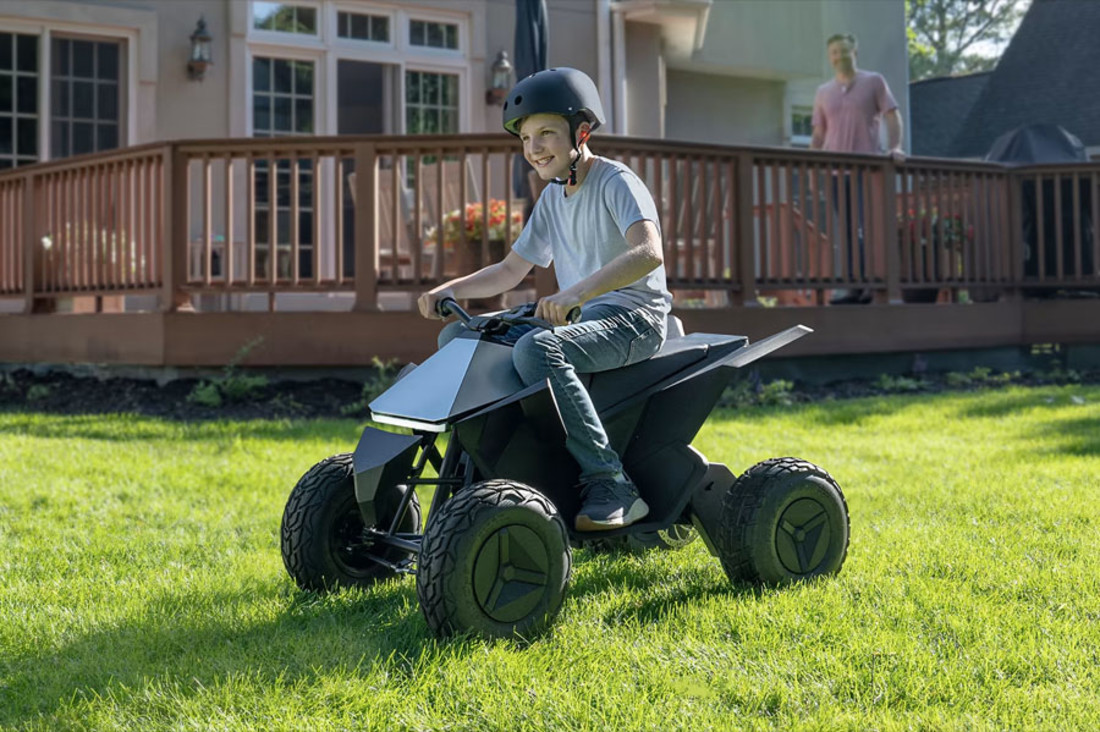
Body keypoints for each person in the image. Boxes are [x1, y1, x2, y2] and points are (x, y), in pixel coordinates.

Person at [417, 68, 671, 532]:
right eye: (526, 138)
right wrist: (452, 289)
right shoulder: (554, 198)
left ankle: (612, 482)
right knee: (459, 335)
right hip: (581, 315)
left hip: (635, 318)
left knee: (536, 348)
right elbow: (511, 270)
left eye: (546, 134)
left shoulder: (616, 182)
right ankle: (479, 472)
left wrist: (576, 291)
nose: (534, 148)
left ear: (582, 133)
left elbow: (649, 252)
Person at [811, 33, 904, 304]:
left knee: (866, 228)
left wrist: (895, 147)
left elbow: (891, 115)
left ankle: (868, 286)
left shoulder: (873, 82)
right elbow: (818, 135)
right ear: (830, 58)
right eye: (834, 53)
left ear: (855, 51)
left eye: (843, 50)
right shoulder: (823, 92)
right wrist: (810, 167)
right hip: (835, 173)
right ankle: (854, 287)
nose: (839, 56)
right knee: (848, 230)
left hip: (867, 170)